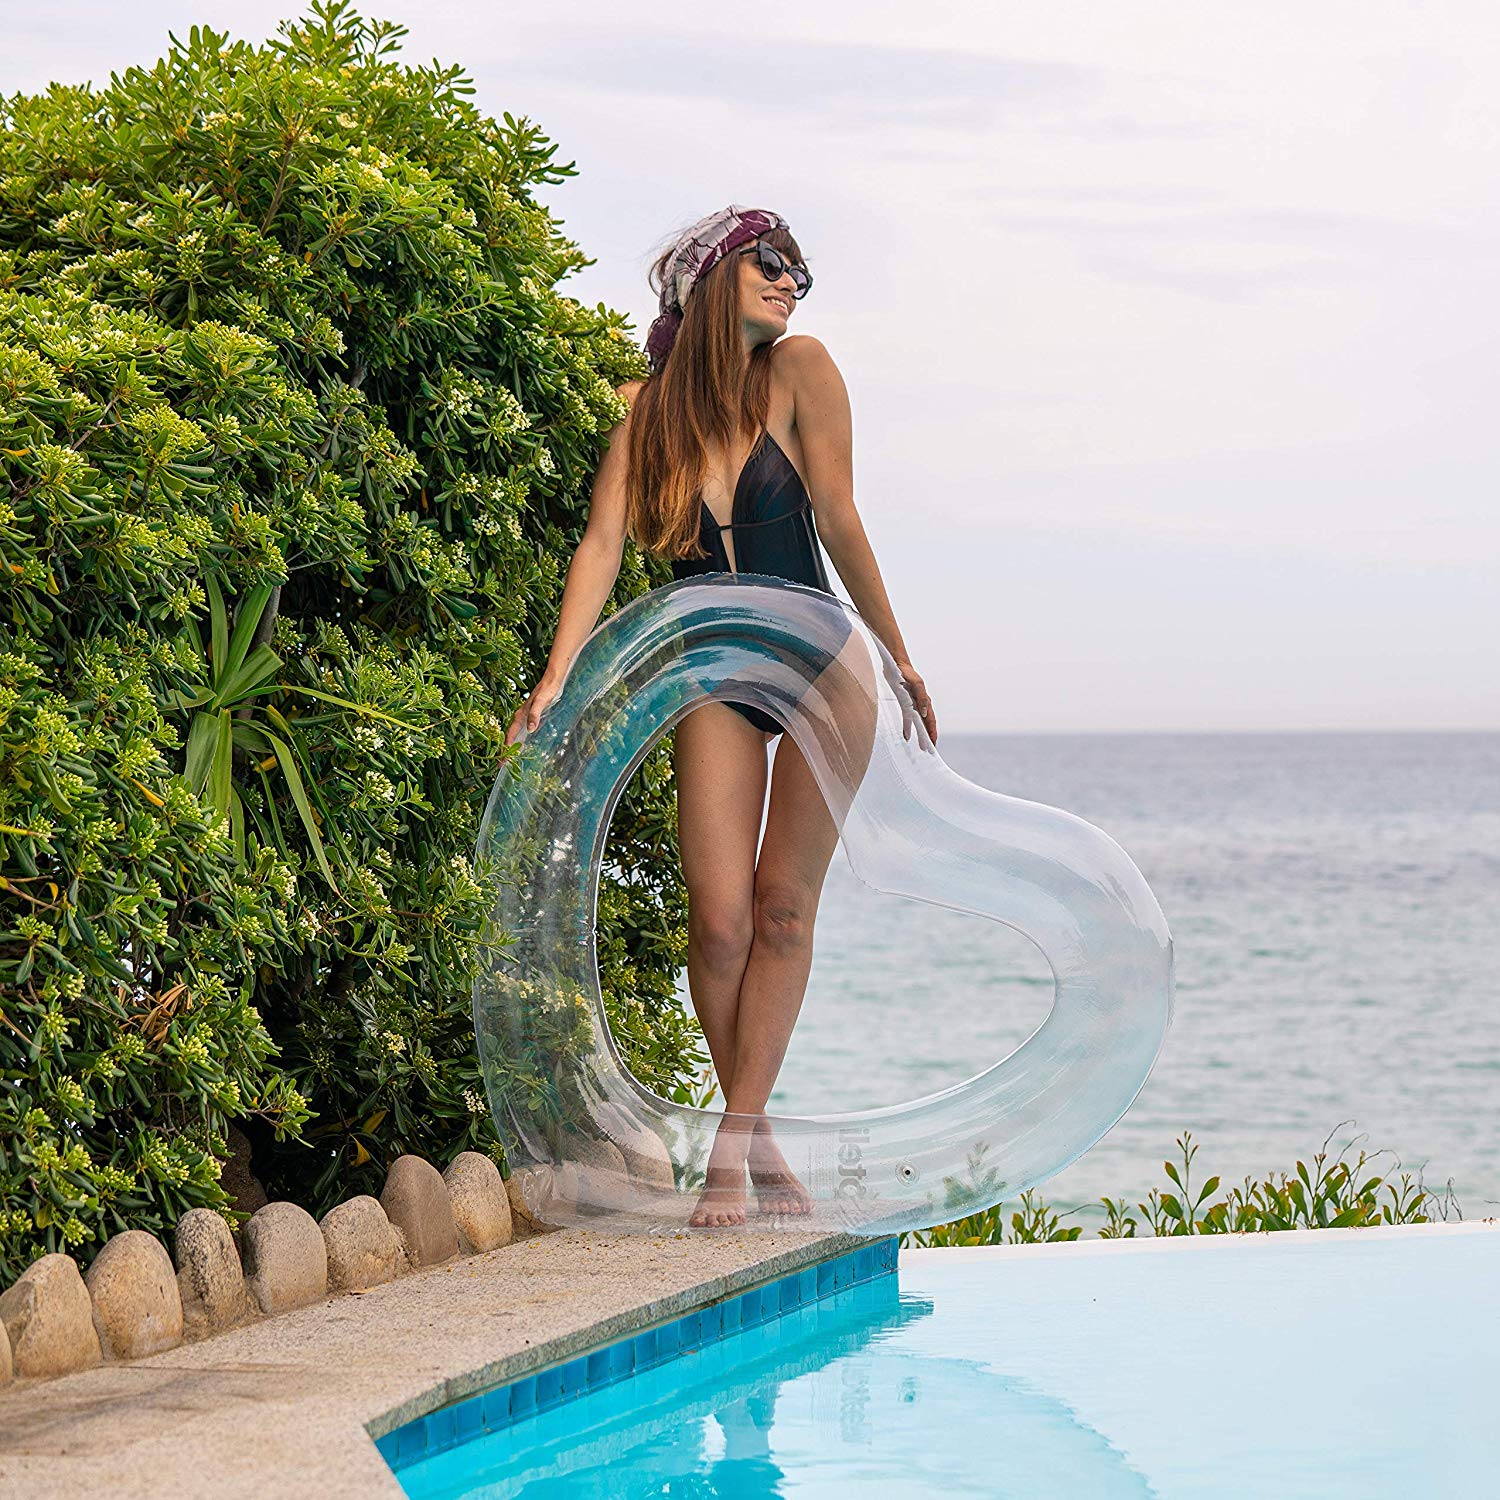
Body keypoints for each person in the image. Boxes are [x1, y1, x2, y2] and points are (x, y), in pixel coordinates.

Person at [506, 205, 937, 1227]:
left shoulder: (802, 373)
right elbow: (604, 543)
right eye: (773, 265)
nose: (793, 283)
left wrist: (901, 654)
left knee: (785, 910)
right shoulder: (643, 410)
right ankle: (762, 1139)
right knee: (722, 919)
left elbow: (836, 515)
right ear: (711, 280)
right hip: (714, 681)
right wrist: (560, 674)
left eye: (800, 269)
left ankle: (732, 1154)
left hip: (822, 667)